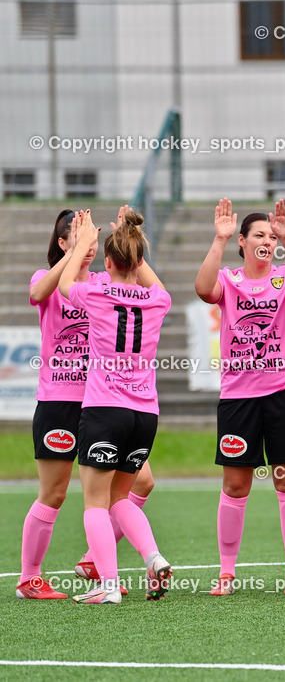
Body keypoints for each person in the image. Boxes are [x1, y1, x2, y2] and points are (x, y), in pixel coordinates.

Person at [18, 207, 156, 600]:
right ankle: (30, 577)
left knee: (142, 482)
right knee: (55, 492)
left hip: (103, 403)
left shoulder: (101, 283)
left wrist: (125, 233)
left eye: (94, 241)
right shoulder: (47, 279)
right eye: (80, 239)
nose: (90, 248)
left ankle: (96, 561)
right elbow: (37, 293)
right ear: (62, 243)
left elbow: (143, 289)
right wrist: (73, 252)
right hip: (60, 400)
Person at [195, 198, 285, 597]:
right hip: (239, 398)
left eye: (271, 236)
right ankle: (227, 573)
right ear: (243, 243)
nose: (267, 241)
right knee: (235, 485)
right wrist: (218, 238)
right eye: (259, 235)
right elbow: (202, 289)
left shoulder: (284, 278)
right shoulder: (229, 280)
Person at [57, 208, 174, 604]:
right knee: (121, 498)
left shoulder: (97, 291)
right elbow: (150, 279)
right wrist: (130, 236)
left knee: (94, 501)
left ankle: (108, 586)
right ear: (140, 261)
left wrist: (86, 238)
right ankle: (153, 557)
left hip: (105, 409)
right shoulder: (157, 300)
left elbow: (65, 282)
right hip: (145, 414)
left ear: (107, 263)